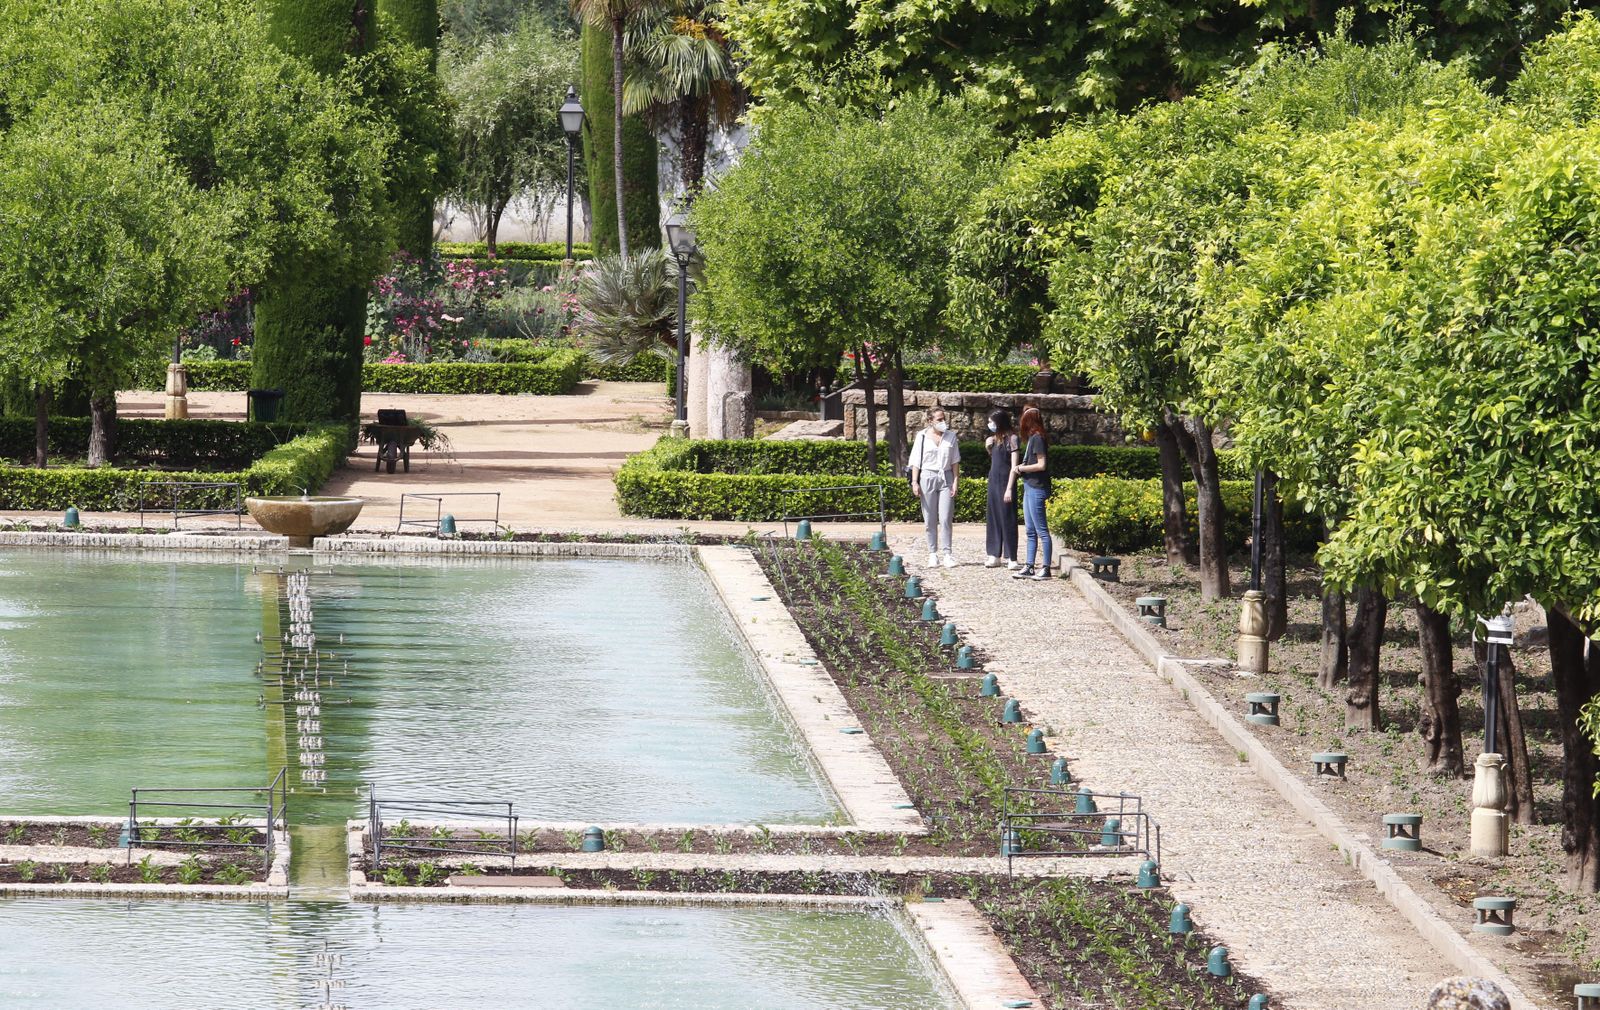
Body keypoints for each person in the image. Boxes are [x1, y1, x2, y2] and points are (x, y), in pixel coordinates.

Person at [910, 407, 959, 568]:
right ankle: (932, 553)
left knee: (945, 517)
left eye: (943, 418)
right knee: (929, 518)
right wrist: (915, 482)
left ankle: (947, 553)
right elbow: (916, 461)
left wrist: (955, 481)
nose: (942, 422)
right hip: (928, 476)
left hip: (946, 477)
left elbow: (955, 461)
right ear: (930, 421)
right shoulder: (922, 436)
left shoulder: (951, 436)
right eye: (939, 419)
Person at [1012, 406, 1052, 580]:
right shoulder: (1032, 439)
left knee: (1041, 530)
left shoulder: (1037, 438)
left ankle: (1046, 568)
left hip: (1037, 487)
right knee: (1030, 530)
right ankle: (1029, 565)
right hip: (1029, 485)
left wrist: (1021, 468)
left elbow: (1041, 465)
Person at [983, 408, 1019, 569]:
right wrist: (988, 448)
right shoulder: (994, 439)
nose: (989, 424)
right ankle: (994, 554)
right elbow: (995, 460)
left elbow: (1014, 466)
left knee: (1008, 519)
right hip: (994, 480)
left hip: (1006, 481)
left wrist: (1010, 488)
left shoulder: (1012, 439)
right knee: (993, 517)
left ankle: (1012, 557)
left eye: (992, 422)